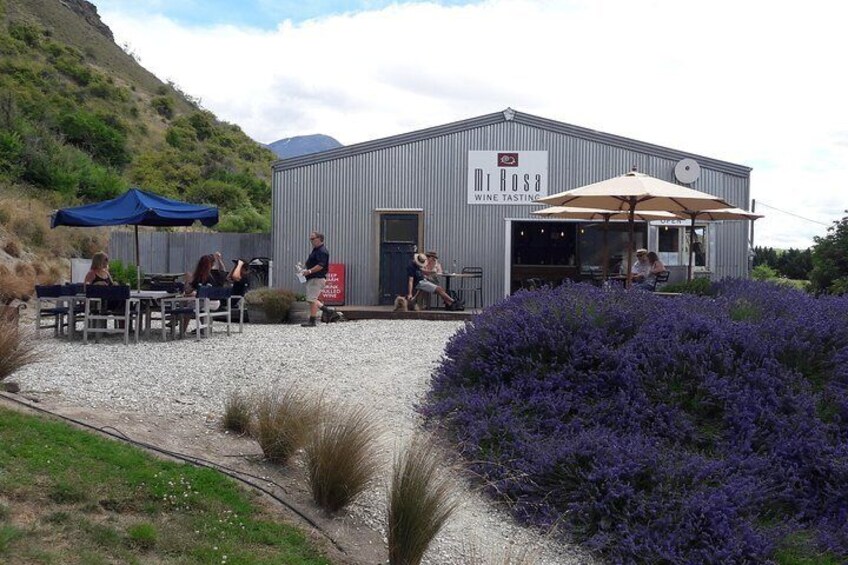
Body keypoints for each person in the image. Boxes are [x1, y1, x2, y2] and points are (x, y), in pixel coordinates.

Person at [299, 231, 336, 327]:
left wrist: (309, 271)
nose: (311, 241)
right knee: (312, 299)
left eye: (312, 239)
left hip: (317, 278)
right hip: (313, 278)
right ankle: (327, 311)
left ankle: (312, 321)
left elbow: (320, 265)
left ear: (319, 239)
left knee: (312, 299)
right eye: (310, 239)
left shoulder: (322, 251)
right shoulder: (316, 250)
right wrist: (304, 267)